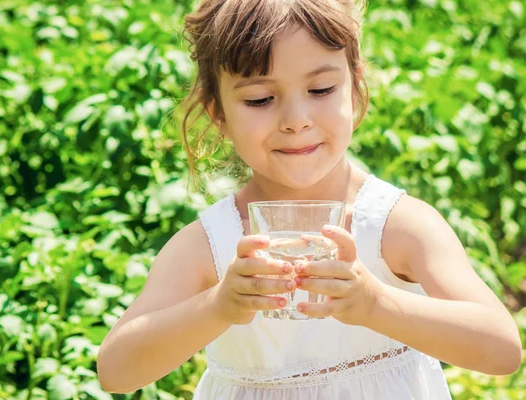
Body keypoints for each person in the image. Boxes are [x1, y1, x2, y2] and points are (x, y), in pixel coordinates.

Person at [97, 0, 522, 398]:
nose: (296, 121)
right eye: (260, 99)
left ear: (354, 87)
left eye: (320, 90)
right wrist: (218, 305)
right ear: (218, 115)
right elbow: (117, 372)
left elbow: (500, 349)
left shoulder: (395, 226)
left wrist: (376, 304)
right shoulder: (212, 245)